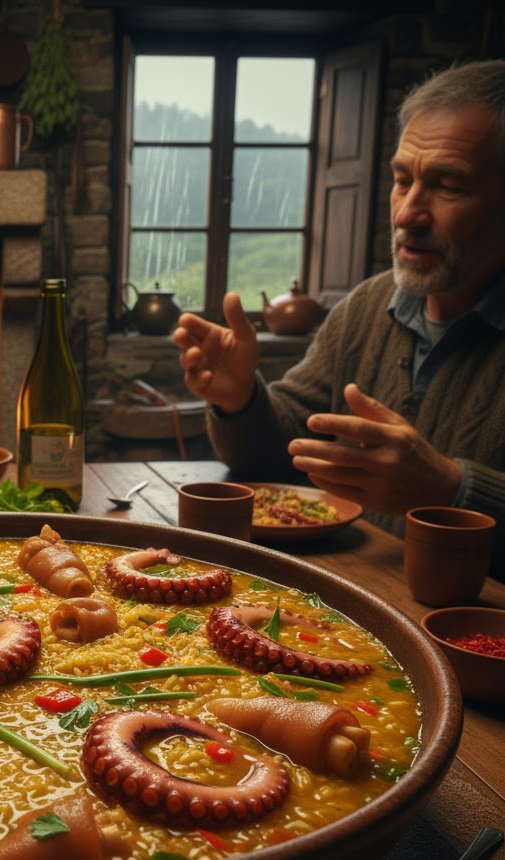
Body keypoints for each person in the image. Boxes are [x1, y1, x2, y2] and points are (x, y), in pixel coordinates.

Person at [173, 59, 505, 578]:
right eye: (402, 181)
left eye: (448, 185)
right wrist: (241, 401)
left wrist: (452, 489)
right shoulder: (368, 307)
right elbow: (283, 458)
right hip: (348, 603)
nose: (406, 213)